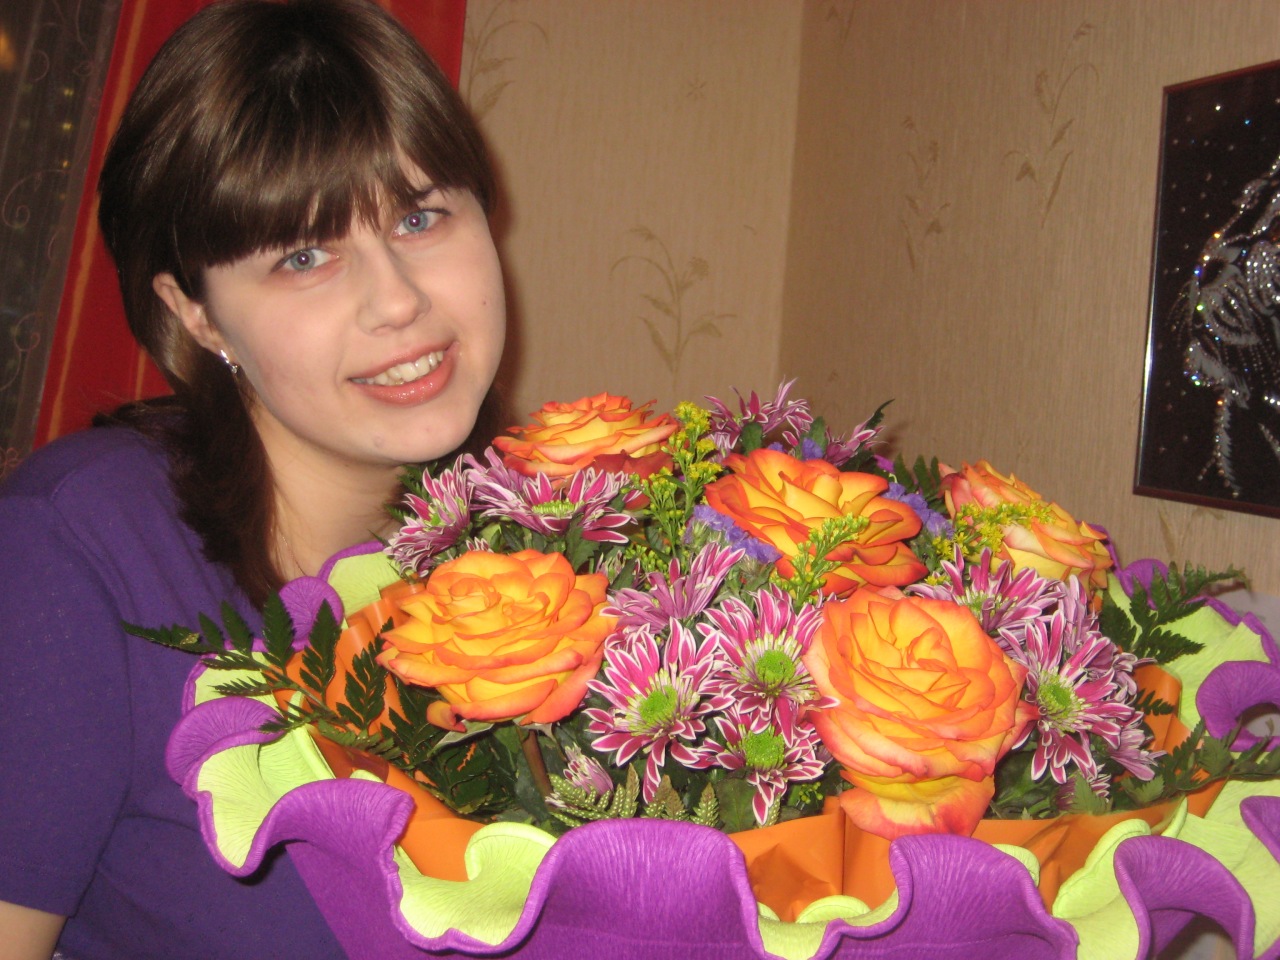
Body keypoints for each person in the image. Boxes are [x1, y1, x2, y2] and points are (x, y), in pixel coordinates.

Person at [0, 0, 504, 956]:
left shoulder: (545, 544)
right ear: (196, 313)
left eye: (421, 215)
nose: (398, 300)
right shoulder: (76, 551)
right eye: (304, 256)